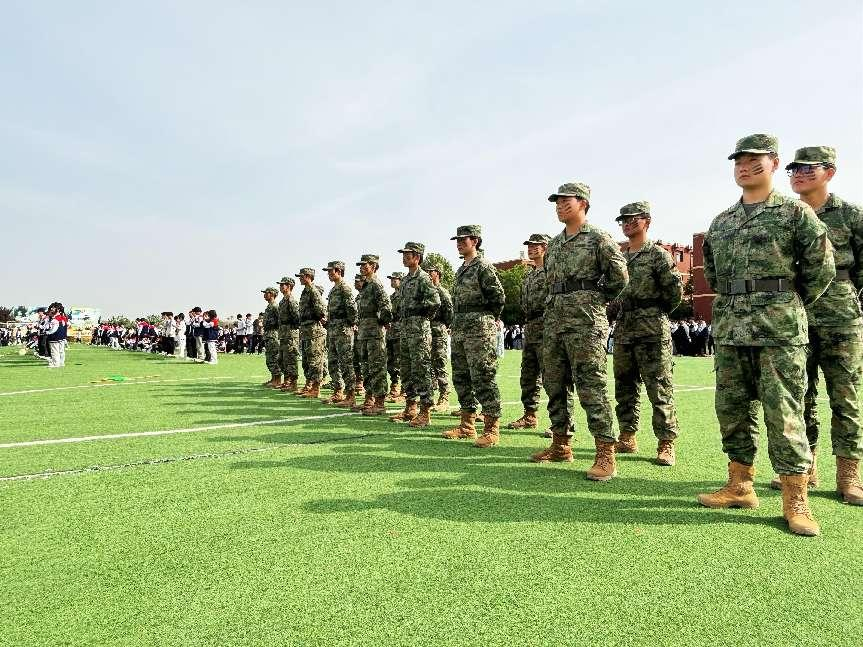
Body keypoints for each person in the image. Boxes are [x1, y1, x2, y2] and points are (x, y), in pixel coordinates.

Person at [698, 134, 835, 536]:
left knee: (785, 413)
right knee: (732, 411)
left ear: (774, 163)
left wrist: (786, 302)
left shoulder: (795, 213)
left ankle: (796, 499)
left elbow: (821, 268)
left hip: (779, 330)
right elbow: (714, 274)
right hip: (731, 328)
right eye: (738, 161)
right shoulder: (722, 221)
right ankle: (740, 485)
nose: (744, 167)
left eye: (754, 160)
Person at [766, 145, 863, 506]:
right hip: (795, 315)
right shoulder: (784, 216)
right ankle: (805, 467)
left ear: (830, 172)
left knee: (846, 395)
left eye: (809, 168)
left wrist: (846, 294)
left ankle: (849, 474)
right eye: (794, 169)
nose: (799, 175)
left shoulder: (851, 215)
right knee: (798, 395)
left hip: (840, 315)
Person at [530, 182, 628, 481]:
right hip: (555, 322)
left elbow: (620, 277)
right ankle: (561, 444)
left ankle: (605, 452)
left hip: (586, 323)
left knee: (591, 386)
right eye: (557, 202)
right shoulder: (555, 244)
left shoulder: (598, 238)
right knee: (554, 384)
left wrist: (594, 299)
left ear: (583, 202)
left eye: (566, 201)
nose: (560, 206)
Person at [611, 201, 683, 466]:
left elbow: (674, 293)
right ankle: (627, 436)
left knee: (659, 387)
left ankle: (666, 442)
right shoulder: (620, 257)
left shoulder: (657, 255)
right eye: (624, 220)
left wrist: (653, 311)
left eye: (634, 219)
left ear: (647, 222)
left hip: (652, 328)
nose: (628, 224)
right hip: (624, 327)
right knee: (625, 386)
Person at [443, 225, 506, 447]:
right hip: (460, 327)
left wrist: (488, 318)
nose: (459, 244)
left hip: (479, 328)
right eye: (457, 240)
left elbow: (498, 297)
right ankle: (467, 425)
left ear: (475, 241)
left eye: (464, 240)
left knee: (483, 376)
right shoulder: (461, 269)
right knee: (461, 376)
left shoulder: (483, 266)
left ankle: (491, 428)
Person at [389, 242, 440, 427]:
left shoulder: (423, 278)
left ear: (417, 257)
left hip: (419, 330)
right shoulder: (405, 280)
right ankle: (410, 407)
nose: (404, 257)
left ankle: (425, 411)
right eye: (403, 254)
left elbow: (435, 302)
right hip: (405, 329)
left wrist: (421, 317)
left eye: (408, 254)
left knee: (421, 369)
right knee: (407, 369)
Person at [507, 234, 550, 431]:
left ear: (546, 247)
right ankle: (530, 415)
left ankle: (562, 424)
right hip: (531, 326)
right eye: (529, 245)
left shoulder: (553, 271)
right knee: (528, 375)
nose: (531, 248)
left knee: (553, 377)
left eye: (536, 245)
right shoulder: (529, 275)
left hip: (548, 325)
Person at [353, 254, 393, 414]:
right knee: (366, 367)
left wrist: (381, 322)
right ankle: (369, 399)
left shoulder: (376, 284)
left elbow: (386, 307)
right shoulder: (366, 285)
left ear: (374, 266)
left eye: (365, 264)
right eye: (361, 265)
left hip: (374, 332)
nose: (362, 267)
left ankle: (380, 402)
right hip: (364, 332)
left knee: (377, 367)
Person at [322, 261, 358, 405]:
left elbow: (352, 310)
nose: (329, 274)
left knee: (346, 363)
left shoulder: (345, 288)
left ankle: (351, 395)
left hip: (343, 330)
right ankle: (338, 391)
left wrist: (350, 324)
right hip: (333, 330)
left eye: (331, 271)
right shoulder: (333, 289)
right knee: (333, 362)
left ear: (339, 271)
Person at [425, 264, 453, 412]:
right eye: (428, 271)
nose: (429, 273)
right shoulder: (427, 291)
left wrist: (444, 325)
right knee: (428, 364)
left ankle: (444, 396)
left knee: (439, 363)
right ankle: (430, 396)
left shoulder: (442, 292)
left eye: (432, 271)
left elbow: (449, 312)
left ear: (438, 274)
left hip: (438, 329)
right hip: (426, 330)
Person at [296, 268, 327, 397]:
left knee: (315, 360)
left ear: (308, 276)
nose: (300, 278)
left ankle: (316, 388)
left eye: (301, 276)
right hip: (306, 330)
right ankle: (309, 385)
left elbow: (321, 309)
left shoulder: (313, 291)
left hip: (314, 331)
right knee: (307, 361)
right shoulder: (305, 291)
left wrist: (317, 318)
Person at [275, 277, 301, 393]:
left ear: (289, 286)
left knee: (291, 359)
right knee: (282, 359)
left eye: (283, 285)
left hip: (290, 333)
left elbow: (296, 317)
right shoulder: (283, 300)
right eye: (280, 285)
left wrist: (292, 329)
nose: (281, 287)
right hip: (283, 333)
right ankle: (287, 380)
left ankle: (293, 383)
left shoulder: (291, 300)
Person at [385, 272, 404, 401]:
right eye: (391, 279)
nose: (392, 281)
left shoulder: (404, 295)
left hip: (400, 331)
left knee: (401, 360)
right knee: (391, 361)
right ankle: (394, 386)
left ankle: (404, 390)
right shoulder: (391, 297)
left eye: (394, 279)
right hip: (391, 332)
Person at [261, 288, 282, 387]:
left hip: (273, 335)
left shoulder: (275, 306)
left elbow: (280, 320)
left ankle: (277, 380)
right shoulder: (269, 306)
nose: (264, 295)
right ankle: (273, 378)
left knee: (274, 357)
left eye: (266, 293)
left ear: (272, 294)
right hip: (269, 335)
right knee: (270, 358)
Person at [45, 303, 68, 368]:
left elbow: (53, 329)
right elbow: (66, 326)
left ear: (58, 309)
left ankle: (56, 364)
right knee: (61, 351)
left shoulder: (55, 319)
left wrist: (47, 332)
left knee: (54, 351)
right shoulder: (63, 317)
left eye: (53, 308)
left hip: (54, 337)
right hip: (62, 337)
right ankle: (61, 363)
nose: (51, 309)